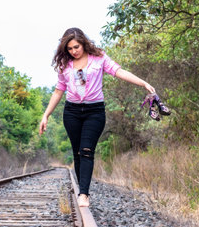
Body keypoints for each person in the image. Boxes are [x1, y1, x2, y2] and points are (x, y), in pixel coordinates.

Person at [39, 27, 155, 207]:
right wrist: (46, 115)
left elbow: (119, 71)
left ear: (83, 43)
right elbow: (58, 91)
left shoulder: (99, 57)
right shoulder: (65, 64)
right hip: (72, 112)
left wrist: (143, 83)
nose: (74, 51)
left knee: (86, 150)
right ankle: (81, 190)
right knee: (77, 152)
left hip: (94, 112)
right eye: (69, 49)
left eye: (76, 47)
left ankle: (84, 194)